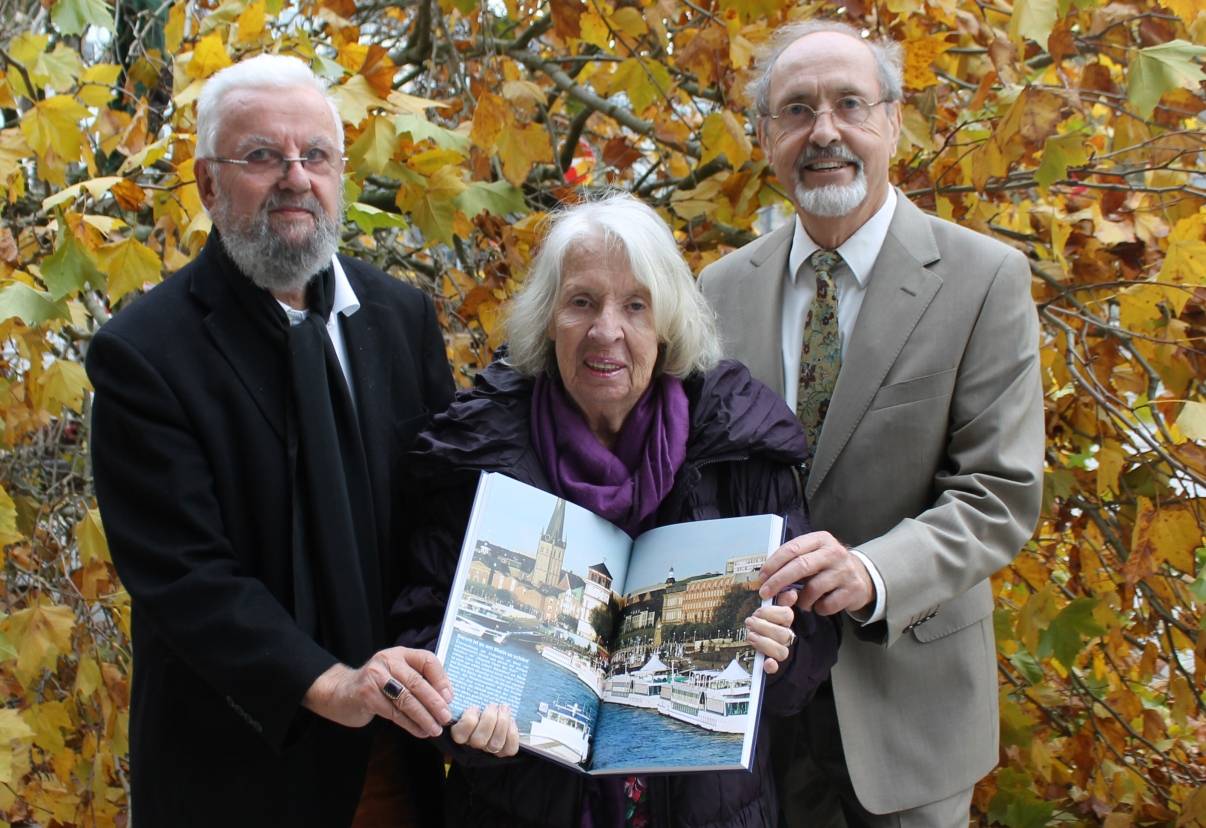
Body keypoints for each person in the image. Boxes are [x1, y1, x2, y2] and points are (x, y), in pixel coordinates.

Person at [87, 55, 460, 827]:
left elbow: (445, 511)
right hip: (243, 769)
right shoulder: (143, 352)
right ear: (207, 184)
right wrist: (330, 685)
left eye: (315, 155)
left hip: (402, 753)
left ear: (340, 172)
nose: (296, 177)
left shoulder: (401, 317)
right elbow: (185, 576)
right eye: (262, 156)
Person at [391, 193, 840, 826]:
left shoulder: (742, 445)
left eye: (635, 305)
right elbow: (421, 628)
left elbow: (811, 646)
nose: (608, 331)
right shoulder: (477, 453)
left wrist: (783, 646)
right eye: (581, 302)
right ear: (549, 319)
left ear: (666, 324)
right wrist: (458, 719)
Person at [698, 21, 1045, 828]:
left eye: (850, 104)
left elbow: (999, 493)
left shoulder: (983, 279)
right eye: (796, 110)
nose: (824, 131)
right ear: (765, 138)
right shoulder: (715, 292)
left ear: (893, 121)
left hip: (908, 714)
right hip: (754, 715)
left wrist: (873, 574)